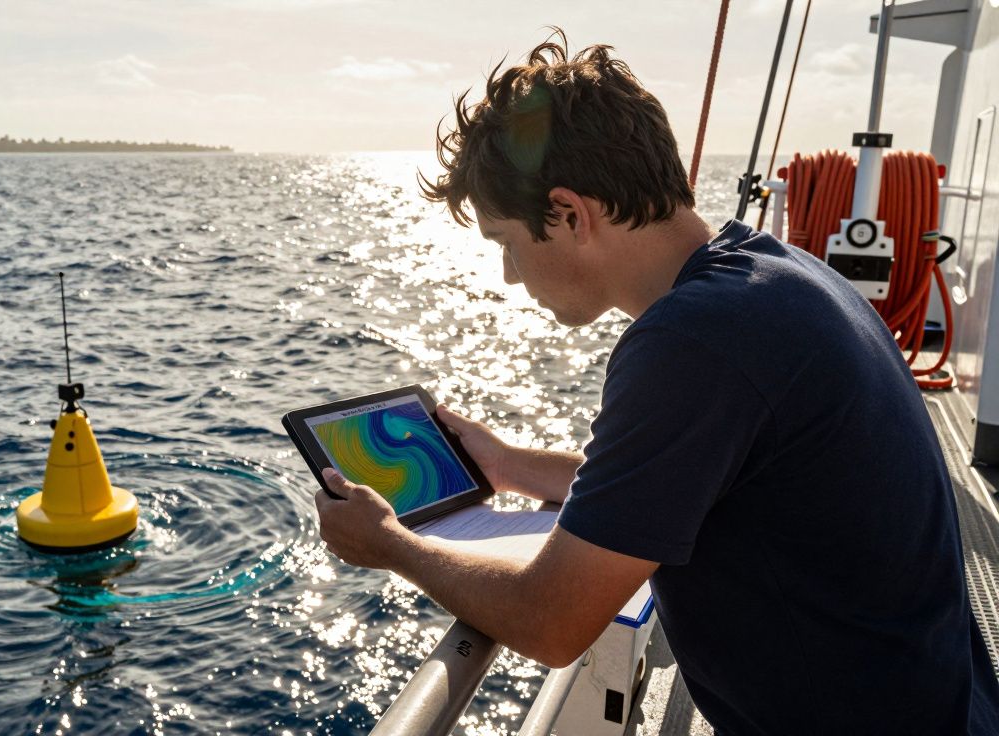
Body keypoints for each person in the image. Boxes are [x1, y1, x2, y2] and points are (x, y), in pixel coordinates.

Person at [312, 29, 999, 735]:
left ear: (571, 214)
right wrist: (506, 465)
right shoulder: (778, 274)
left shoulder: (694, 341)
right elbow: (685, 482)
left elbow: (552, 621)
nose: (510, 276)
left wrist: (389, 542)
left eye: (508, 245)